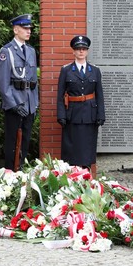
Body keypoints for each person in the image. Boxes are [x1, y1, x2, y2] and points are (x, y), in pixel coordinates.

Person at [0, 14, 39, 170]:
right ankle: (10, 173)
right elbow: (3, 83)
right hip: (15, 103)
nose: (28, 31)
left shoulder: (31, 51)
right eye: (24, 28)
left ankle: (21, 171)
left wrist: (35, 104)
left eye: (29, 29)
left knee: (25, 140)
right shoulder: (6, 51)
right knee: (12, 142)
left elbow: (34, 81)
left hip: (29, 104)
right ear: (15, 30)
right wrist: (13, 105)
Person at [56, 35, 105, 170]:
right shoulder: (66, 70)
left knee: (87, 147)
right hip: (72, 114)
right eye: (78, 49)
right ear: (73, 51)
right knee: (72, 147)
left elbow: (99, 94)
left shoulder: (95, 70)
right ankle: (72, 176)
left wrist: (101, 115)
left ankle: (86, 174)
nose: (81, 51)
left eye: (84, 49)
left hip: (90, 114)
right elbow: (60, 95)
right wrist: (61, 115)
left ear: (87, 51)